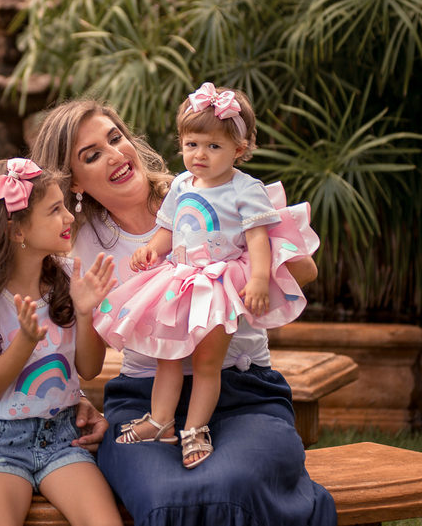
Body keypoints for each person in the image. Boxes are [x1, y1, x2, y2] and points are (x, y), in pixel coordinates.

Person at [31, 99, 337, 526]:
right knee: (164, 497)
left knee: (234, 484)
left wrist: (229, 268)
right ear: (75, 182)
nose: (115, 154)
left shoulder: (207, 189)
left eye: (116, 138)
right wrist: (85, 315)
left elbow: (305, 270)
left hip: (243, 392)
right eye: (93, 155)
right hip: (145, 398)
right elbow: (88, 367)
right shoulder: (80, 247)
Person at [95, 82, 318, 469]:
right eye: (192, 144)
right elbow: (168, 228)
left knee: (206, 363)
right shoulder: (182, 184)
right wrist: (152, 250)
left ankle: (195, 428)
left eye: (214, 146)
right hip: (178, 282)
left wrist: (259, 279)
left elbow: (258, 238)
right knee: (168, 356)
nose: (200, 154)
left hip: (217, 286)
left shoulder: (244, 189)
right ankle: (160, 421)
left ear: (239, 150)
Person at [0, 158, 123, 526]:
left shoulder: (70, 279)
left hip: (63, 436)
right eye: (54, 210)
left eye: (64, 206)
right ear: (16, 231)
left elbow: (88, 369)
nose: (68, 217)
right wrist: (24, 342)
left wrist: (85, 312)